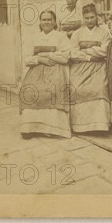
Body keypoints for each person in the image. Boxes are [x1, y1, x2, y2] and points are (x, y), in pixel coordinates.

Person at [20, 10, 72, 139]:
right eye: (44, 19)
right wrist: (39, 59)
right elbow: (26, 59)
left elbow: (66, 56)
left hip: (55, 68)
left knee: (52, 91)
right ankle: (30, 128)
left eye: (49, 19)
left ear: (54, 22)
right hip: (36, 70)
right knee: (29, 91)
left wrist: (48, 55)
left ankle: (51, 128)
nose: (47, 22)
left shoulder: (61, 36)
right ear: (40, 22)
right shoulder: (34, 37)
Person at [68, 3, 111, 133]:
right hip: (81, 65)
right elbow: (73, 52)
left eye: (92, 17)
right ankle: (80, 125)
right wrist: (89, 56)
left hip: (98, 66)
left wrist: (86, 50)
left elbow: (105, 50)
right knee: (76, 87)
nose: (90, 20)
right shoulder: (77, 33)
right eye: (87, 18)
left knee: (99, 87)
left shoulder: (104, 32)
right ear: (83, 18)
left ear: (96, 17)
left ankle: (99, 125)